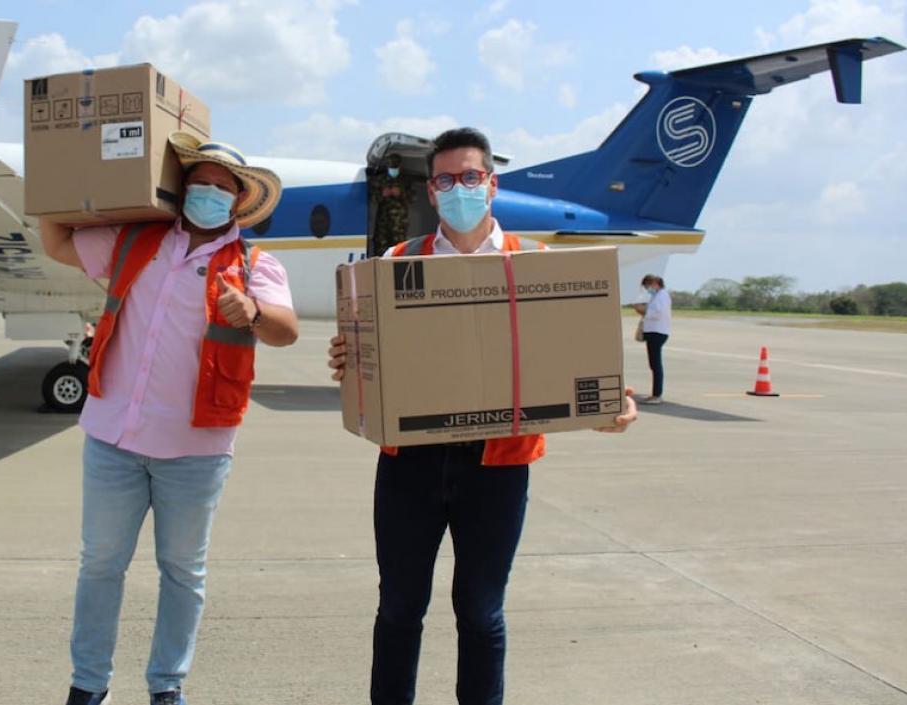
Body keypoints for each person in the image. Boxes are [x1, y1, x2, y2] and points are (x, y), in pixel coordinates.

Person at [326, 127, 638, 705]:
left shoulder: (541, 267)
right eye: (445, 180)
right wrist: (349, 358)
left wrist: (610, 405)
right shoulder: (396, 263)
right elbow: (364, 358)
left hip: (497, 466)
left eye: (470, 177)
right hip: (409, 464)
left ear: (491, 185)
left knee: (481, 610)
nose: (458, 189)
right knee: (399, 606)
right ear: (432, 190)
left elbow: (575, 362)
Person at [39, 133, 299, 705]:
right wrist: (64, 178)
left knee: (183, 572)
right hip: (113, 436)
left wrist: (254, 311)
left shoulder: (255, 262)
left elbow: (286, 328)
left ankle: (167, 685)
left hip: (196, 448)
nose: (206, 193)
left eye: (220, 188)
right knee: (100, 565)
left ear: (237, 201)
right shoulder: (136, 241)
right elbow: (55, 239)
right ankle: (88, 684)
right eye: (198, 184)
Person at [631, 274, 671, 404]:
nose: (647, 288)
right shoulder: (656, 296)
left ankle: (657, 395)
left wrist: (643, 310)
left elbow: (657, 313)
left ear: (655, 283)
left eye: (647, 285)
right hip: (654, 332)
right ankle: (655, 394)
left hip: (657, 332)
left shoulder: (662, 296)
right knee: (654, 364)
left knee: (655, 364)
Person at [369, 153, 414, 256]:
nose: (393, 169)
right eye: (391, 166)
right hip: (383, 222)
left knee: (399, 249)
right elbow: (372, 198)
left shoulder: (405, 180)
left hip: (399, 223)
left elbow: (412, 199)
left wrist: (401, 193)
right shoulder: (380, 180)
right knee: (381, 249)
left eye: (395, 166)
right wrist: (382, 194)